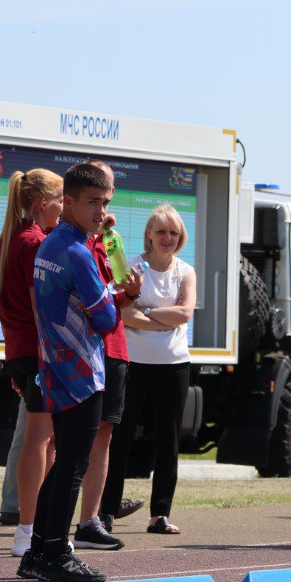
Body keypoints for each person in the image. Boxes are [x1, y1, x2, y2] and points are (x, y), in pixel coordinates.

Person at [16, 162, 141, 582]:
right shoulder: (77, 251)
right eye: (92, 202)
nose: (100, 211)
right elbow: (105, 320)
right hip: (82, 370)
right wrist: (125, 295)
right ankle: (55, 553)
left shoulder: (51, 244)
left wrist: (110, 297)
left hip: (54, 365)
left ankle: (37, 551)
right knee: (72, 464)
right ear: (67, 201)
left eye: (105, 202)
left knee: (65, 461)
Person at [102, 204, 195, 534]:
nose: (167, 238)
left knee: (168, 440)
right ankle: (107, 511)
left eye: (173, 232)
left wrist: (148, 316)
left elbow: (184, 313)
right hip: (133, 362)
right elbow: (124, 314)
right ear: (149, 235)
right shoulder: (132, 267)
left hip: (174, 365)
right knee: (121, 437)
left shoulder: (185, 271)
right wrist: (161, 322)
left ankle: (160, 515)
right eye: (161, 232)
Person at [0, 168, 63, 558]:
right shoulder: (35, 242)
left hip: (21, 350)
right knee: (40, 438)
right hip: (39, 349)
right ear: (41, 203)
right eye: (60, 201)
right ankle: (29, 530)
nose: (63, 208)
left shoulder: (8, 240)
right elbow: (42, 306)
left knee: (44, 438)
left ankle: (36, 525)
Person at [72, 159, 142, 550]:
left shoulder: (110, 239)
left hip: (114, 346)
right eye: (97, 195)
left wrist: (131, 291)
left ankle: (90, 522)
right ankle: (38, 527)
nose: (104, 204)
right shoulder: (71, 239)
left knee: (104, 436)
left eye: (109, 192)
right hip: (80, 350)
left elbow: (119, 292)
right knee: (65, 440)